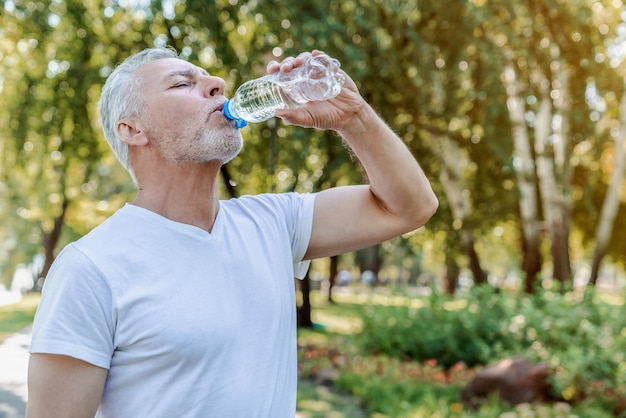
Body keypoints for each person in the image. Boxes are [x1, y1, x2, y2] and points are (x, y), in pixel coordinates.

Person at [26, 47, 438, 418]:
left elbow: (409, 207)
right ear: (132, 129)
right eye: (183, 83)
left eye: (210, 78)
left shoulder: (275, 223)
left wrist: (355, 117)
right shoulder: (90, 269)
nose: (218, 85)